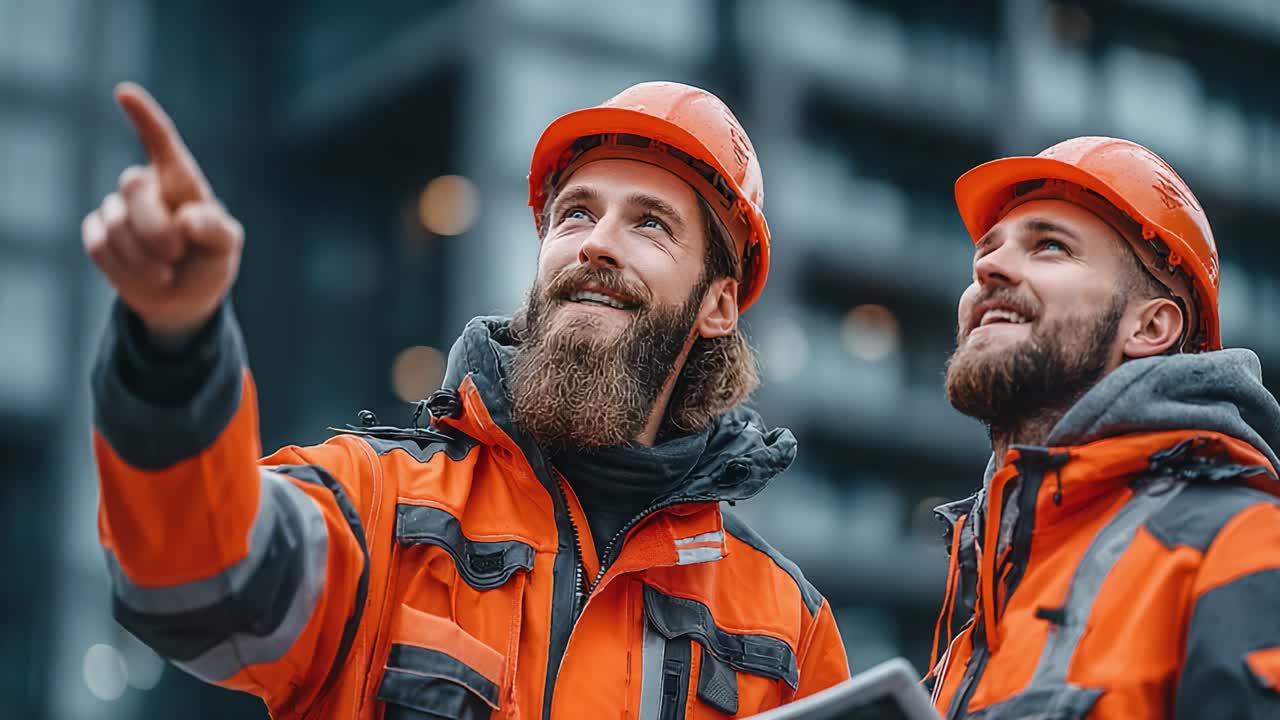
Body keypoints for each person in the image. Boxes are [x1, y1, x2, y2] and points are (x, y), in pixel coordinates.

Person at [83, 80, 850, 719]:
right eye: (577, 212)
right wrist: (175, 348)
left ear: (719, 304)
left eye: (650, 223)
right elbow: (199, 580)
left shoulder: (788, 631)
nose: (596, 241)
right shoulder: (384, 508)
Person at [926, 136, 1280, 718]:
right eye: (987, 252)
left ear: (1152, 327)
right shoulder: (971, 621)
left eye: (1050, 247)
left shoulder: (1241, 546)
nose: (988, 266)